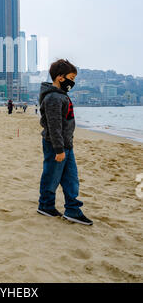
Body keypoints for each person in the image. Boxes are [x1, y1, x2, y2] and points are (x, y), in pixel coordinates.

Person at [38, 59, 93, 226]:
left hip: (66, 144)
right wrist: (59, 149)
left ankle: (72, 209)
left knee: (71, 179)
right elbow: (54, 126)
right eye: (71, 77)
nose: (73, 82)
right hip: (56, 145)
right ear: (60, 77)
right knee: (52, 176)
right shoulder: (53, 97)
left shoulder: (61, 96)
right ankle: (46, 205)